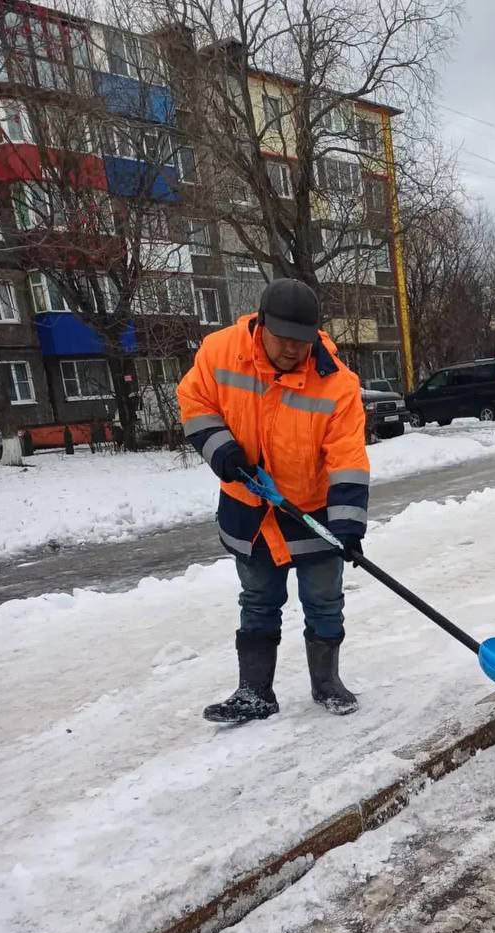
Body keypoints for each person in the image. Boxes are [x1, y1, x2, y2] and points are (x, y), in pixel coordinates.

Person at [177, 278, 369, 724]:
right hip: (249, 507)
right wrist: (223, 451)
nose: (291, 349)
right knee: (258, 600)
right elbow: (194, 401)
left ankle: (326, 683)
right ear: (261, 323)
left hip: (313, 510)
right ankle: (254, 692)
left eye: (300, 341)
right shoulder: (219, 352)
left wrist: (347, 528)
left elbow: (347, 458)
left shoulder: (337, 385)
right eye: (282, 338)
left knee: (324, 600)